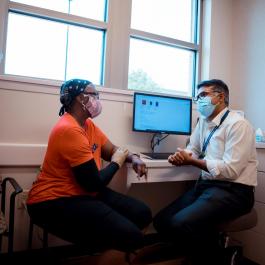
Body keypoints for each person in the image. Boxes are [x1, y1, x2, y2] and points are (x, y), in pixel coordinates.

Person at [27, 78, 152, 254]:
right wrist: (117, 162)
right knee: (132, 238)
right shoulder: (69, 129)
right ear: (81, 98)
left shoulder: (87, 124)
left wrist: (133, 158)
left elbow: (112, 150)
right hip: (53, 200)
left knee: (142, 213)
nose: (98, 100)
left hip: (82, 192)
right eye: (95, 95)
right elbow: (93, 183)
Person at [153, 79, 257, 264]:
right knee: (162, 221)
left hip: (234, 191)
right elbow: (192, 147)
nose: (199, 100)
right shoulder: (203, 122)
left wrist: (192, 161)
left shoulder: (238, 125)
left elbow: (231, 170)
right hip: (207, 186)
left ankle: (219, 256)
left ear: (221, 97)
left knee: (181, 223)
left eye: (203, 95)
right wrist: (180, 156)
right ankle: (202, 253)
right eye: (197, 96)